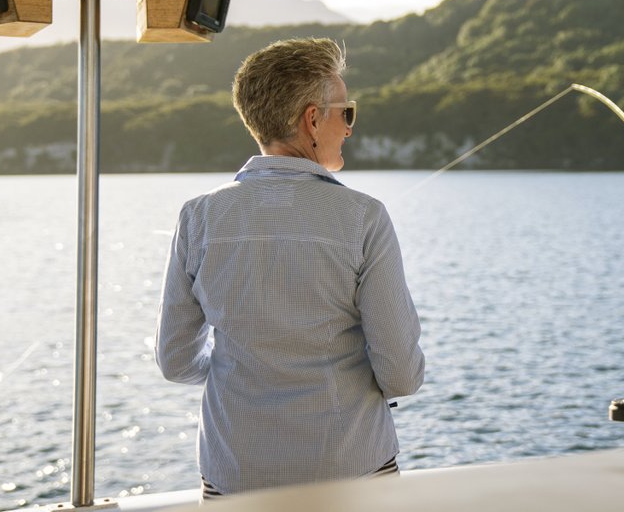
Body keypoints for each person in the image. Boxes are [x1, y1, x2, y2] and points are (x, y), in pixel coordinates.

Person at [155, 37, 425, 499]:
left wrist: (243, 372)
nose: (350, 129)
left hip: (235, 475)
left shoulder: (197, 216)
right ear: (313, 120)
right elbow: (400, 374)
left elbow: (176, 361)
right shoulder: (364, 216)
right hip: (351, 471)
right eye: (347, 113)